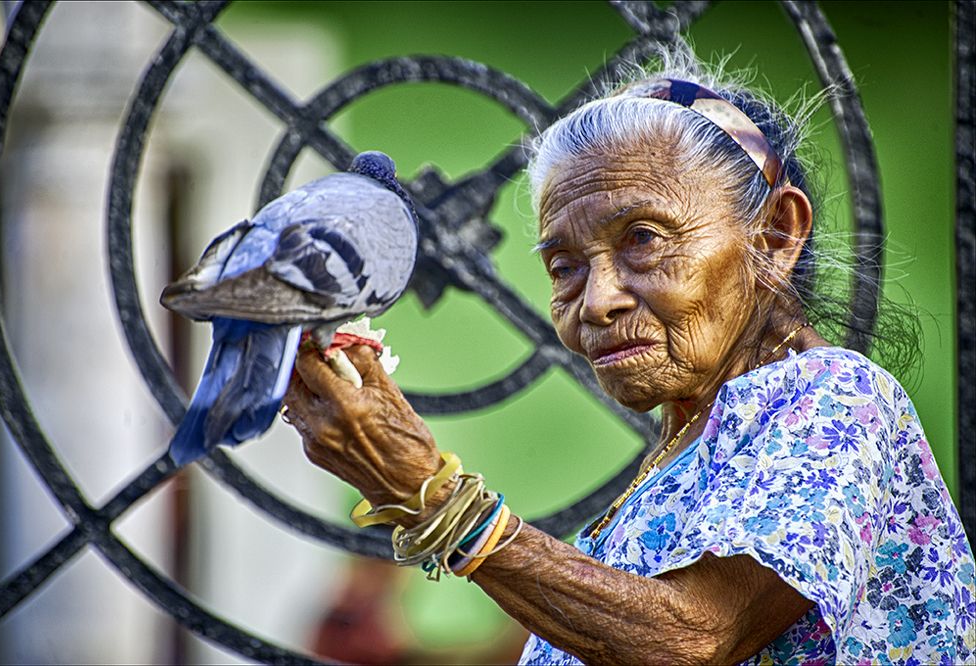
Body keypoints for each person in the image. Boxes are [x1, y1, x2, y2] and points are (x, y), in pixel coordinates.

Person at [281, 46, 975, 664]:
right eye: (563, 265)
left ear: (776, 237)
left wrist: (434, 496)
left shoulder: (834, 399)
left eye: (644, 237)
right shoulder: (675, 467)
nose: (596, 301)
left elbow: (696, 640)